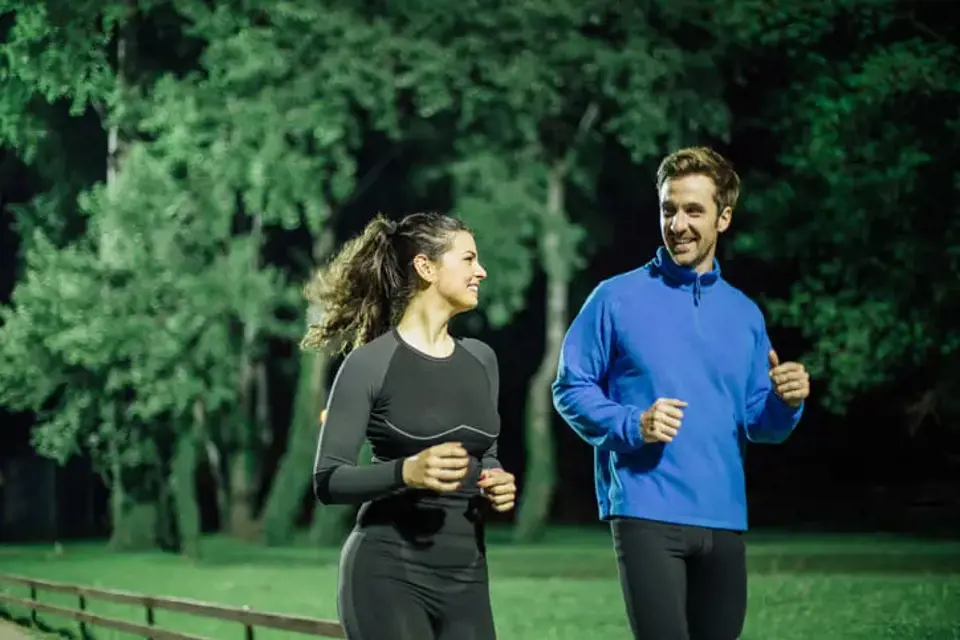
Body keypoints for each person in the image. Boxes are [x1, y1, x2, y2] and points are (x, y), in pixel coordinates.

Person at [551, 147, 810, 640]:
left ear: (723, 218)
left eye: (694, 210)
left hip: (724, 514)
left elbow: (760, 423)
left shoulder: (744, 314)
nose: (678, 224)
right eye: (669, 209)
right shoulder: (614, 298)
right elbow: (570, 387)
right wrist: (634, 424)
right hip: (645, 510)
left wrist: (786, 402)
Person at [305, 212, 516, 640]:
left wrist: (496, 479)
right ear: (426, 267)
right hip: (387, 572)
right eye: (469, 259)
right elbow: (328, 480)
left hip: (467, 577)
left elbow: (485, 451)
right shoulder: (369, 364)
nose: (481, 271)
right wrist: (406, 472)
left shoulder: (482, 360)